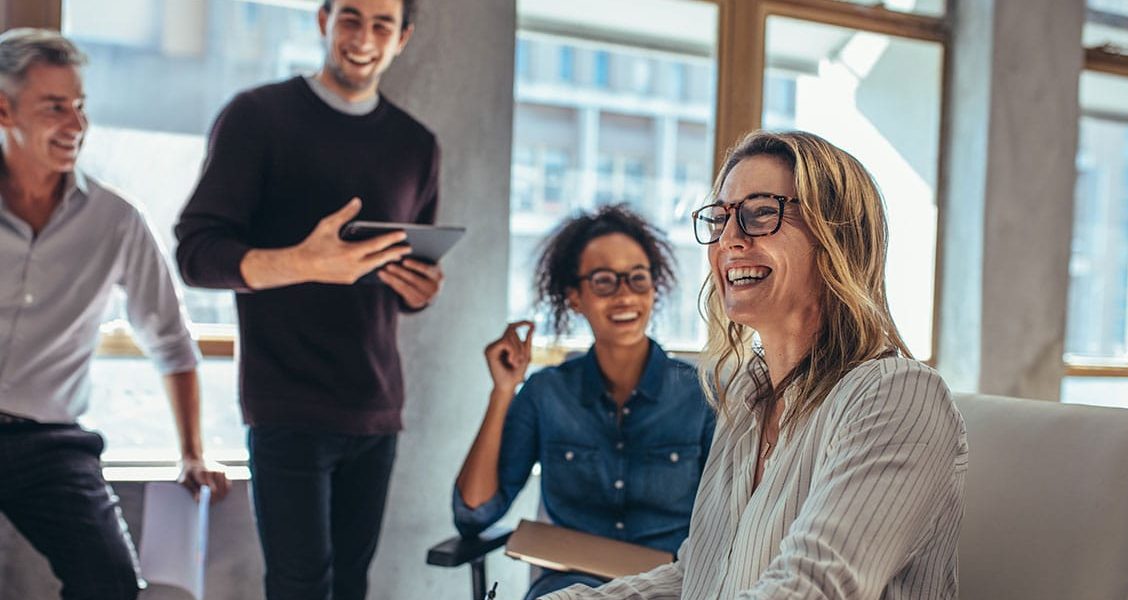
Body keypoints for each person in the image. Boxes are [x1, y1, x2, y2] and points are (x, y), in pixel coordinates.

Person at [542, 131, 969, 600]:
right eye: (721, 219)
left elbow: (810, 591)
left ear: (836, 235)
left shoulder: (897, 396)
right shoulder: (747, 394)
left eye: (761, 213)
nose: (728, 240)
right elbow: (699, 576)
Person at [173, 0, 443, 598]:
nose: (364, 37)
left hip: (375, 403)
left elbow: (398, 279)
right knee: (300, 587)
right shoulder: (256, 117)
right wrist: (303, 261)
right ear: (323, 21)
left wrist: (417, 291)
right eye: (351, 18)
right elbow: (196, 254)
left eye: (382, 25)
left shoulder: (416, 144)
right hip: (286, 403)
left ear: (403, 38)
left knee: (350, 585)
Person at [0, 29, 229, 600]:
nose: (76, 124)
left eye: (80, 106)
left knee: (111, 585)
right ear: (3, 109)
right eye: (55, 108)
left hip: (50, 443)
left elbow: (171, 341)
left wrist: (193, 453)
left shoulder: (117, 221)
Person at [454, 205, 715, 599]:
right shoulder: (546, 394)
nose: (625, 294)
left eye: (638, 279)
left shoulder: (702, 395)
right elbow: (474, 512)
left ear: (654, 289)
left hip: (670, 588)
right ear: (574, 297)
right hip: (569, 589)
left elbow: (734, 521)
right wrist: (503, 390)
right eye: (604, 281)